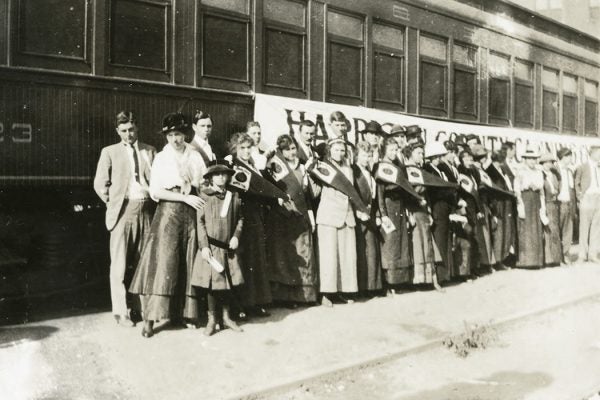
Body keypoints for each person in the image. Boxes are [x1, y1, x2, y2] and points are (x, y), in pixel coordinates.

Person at [129, 112, 206, 338]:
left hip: (191, 213)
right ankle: (150, 320)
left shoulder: (195, 156)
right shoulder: (162, 158)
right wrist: (184, 197)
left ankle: (185, 314)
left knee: (187, 262)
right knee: (163, 263)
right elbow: (155, 191)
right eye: (171, 135)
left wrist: (195, 188)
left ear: (185, 134)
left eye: (179, 134)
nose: (175, 139)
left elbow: (203, 184)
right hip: (168, 213)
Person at [93, 111, 156, 327]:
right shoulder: (109, 152)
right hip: (123, 211)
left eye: (131, 129)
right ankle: (121, 312)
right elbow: (100, 183)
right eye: (123, 131)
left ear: (137, 128)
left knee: (143, 262)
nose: (128, 134)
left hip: (146, 210)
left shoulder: (150, 151)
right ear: (117, 131)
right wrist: (114, 202)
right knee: (119, 265)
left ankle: (141, 309)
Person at [191, 163, 244, 336]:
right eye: (217, 175)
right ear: (210, 178)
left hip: (227, 247)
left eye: (224, 174)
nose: (221, 177)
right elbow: (200, 223)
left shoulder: (233, 195)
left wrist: (236, 235)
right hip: (211, 248)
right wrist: (204, 246)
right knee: (212, 285)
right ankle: (212, 319)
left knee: (227, 283)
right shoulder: (204, 196)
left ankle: (227, 317)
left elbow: (241, 219)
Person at [314, 138, 368, 306]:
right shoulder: (323, 166)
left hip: (347, 214)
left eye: (342, 150)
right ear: (330, 150)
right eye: (336, 150)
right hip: (329, 215)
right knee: (329, 257)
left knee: (346, 256)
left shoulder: (348, 167)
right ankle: (326, 294)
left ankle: (342, 291)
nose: (340, 153)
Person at [266, 135, 318, 306]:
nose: (292, 152)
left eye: (294, 148)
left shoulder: (302, 167)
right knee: (286, 257)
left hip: (301, 215)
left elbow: (307, 195)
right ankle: (286, 297)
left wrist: (310, 214)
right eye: (287, 149)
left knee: (304, 255)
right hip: (284, 216)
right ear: (281, 151)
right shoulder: (275, 166)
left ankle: (305, 296)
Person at [230, 132, 273, 317]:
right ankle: (240, 306)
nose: (246, 151)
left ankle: (255, 302)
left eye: (249, 147)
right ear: (236, 150)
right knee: (243, 259)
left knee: (255, 260)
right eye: (242, 148)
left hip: (256, 215)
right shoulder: (234, 166)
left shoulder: (253, 165)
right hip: (242, 215)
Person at [403, 143, 443, 291]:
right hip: (414, 211)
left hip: (424, 212)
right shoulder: (405, 170)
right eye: (418, 153)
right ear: (410, 153)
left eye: (422, 153)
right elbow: (405, 194)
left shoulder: (421, 171)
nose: (421, 156)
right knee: (417, 245)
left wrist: (429, 212)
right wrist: (408, 214)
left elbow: (426, 195)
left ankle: (431, 279)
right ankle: (417, 281)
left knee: (428, 245)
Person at [376, 137, 413, 293]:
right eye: (390, 149)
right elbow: (379, 193)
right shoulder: (380, 167)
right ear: (384, 150)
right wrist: (383, 214)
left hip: (399, 208)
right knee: (390, 245)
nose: (393, 152)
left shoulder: (397, 167)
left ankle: (399, 282)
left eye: (395, 150)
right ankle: (389, 283)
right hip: (388, 208)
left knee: (401, 244)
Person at [353, 141, 382, 296]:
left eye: (369, 156)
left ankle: (372, 287)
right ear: (357, 155)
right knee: (362, 253)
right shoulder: (354, 171)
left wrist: (376, 215)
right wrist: (358, 213)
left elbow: (374, 199)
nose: (367, 159)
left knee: (372, 252)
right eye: (364, 155)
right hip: (359, 217)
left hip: (370, 217)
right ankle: (363, 288)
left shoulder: (369, 173)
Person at [423, 141, 454, 282]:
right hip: (437, 208)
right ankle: (440, 275)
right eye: (436, 157)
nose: (438, 159)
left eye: (439, 156)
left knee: (445, 240)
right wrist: (448, 192)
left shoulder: (440, 169)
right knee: (440, 241)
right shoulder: (428, 170)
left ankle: (446, 274)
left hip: (444, 208)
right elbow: (434, 191)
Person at [514, 147, 546, 269]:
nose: (532, 161)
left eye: (534, 159)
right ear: (525, 160)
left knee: (536, 228)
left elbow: (541, 187)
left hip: (536, 199)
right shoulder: (521, 171)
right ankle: (526, 261)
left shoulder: (538, 172)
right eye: (530, 159)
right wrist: (520, 202)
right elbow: (517, 187)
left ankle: (536, 260)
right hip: (526, 199)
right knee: (526, 229)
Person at [486, 150, 517, 269]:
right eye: (501, 160)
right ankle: (497, 261)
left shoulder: (502, 170)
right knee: (498, 233)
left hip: (506, 204)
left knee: (506, 232)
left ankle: (503, 259)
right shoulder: (490, 171)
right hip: (498, 205)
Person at [469, 144, 497, 273]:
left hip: (484, 204)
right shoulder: (475, 170)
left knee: (486, 234)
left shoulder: (481, 170)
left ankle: (487, 262)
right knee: (482, 234)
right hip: (480, 204)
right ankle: (484, 263)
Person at [575, 145, 600, 263]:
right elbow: (577, 183)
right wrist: (580, 197)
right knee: (584, 227)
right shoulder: (582, 167)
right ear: (593, 153)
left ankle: (593, 254)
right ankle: (582, 255)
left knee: (597, 228)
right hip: (587, 198)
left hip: (598, 198)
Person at [540, 153, 561, 267]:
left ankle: (556, 258)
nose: (549, 164)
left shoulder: (553, 175)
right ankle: (548, 259)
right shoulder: (540, 175)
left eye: (551, 162)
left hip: (554, 204)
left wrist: (556, 192)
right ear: (542, 164)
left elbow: (557, 186)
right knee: (547, 231)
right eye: (547, 162)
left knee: (555, 230)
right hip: (546, 204)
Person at [556, 148, 576, 264]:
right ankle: (558, 256)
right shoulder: (555, 170)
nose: (570, 159)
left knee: (568, 231)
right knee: (558, 230)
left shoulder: (570, 171)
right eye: (569, 157)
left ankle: (566, 254)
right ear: (563, 157)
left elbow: (571, 189)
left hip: (569, 204)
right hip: (559, 204)